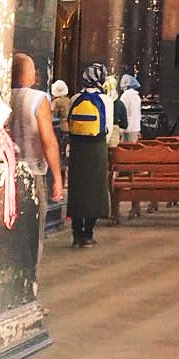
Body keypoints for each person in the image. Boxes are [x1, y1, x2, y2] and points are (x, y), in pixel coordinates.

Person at [8, 53, 64, 260]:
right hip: (33, 170)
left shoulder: (2, 93)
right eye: (33, 70)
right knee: (33, 227)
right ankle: (30, 268)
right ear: (27, 73)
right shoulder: (38, 98)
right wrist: (57, 178)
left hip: (7, 171)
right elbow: (48, 141)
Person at [66, 63, 111, 249]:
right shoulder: (105, 100)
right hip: (96, 148)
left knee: (77, 190)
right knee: (95, 191)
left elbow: (68, 122)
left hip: (77, 149)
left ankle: (76, 233)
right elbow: (108, 129)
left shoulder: (75, 98)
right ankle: (88, 233)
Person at [116, 73, 142, 145]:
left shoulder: (125, 96)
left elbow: (122, 112)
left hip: (127, 128)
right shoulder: (137, 96)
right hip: (136, 127)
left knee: (125, 147)